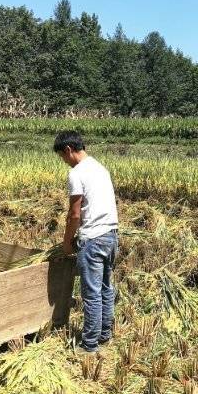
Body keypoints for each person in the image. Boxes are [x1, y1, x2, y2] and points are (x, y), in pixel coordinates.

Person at [54, 131, 119, 355]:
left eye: (63, 157)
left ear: (69, 150)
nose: (64, 161)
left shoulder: (77, 173)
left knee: (91, 293)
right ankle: (104, 334)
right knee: (104, 288)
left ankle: (89, 345)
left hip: (92, 239)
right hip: (111, 235)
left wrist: (66, 242)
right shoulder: (101, 168)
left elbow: (74, 214)